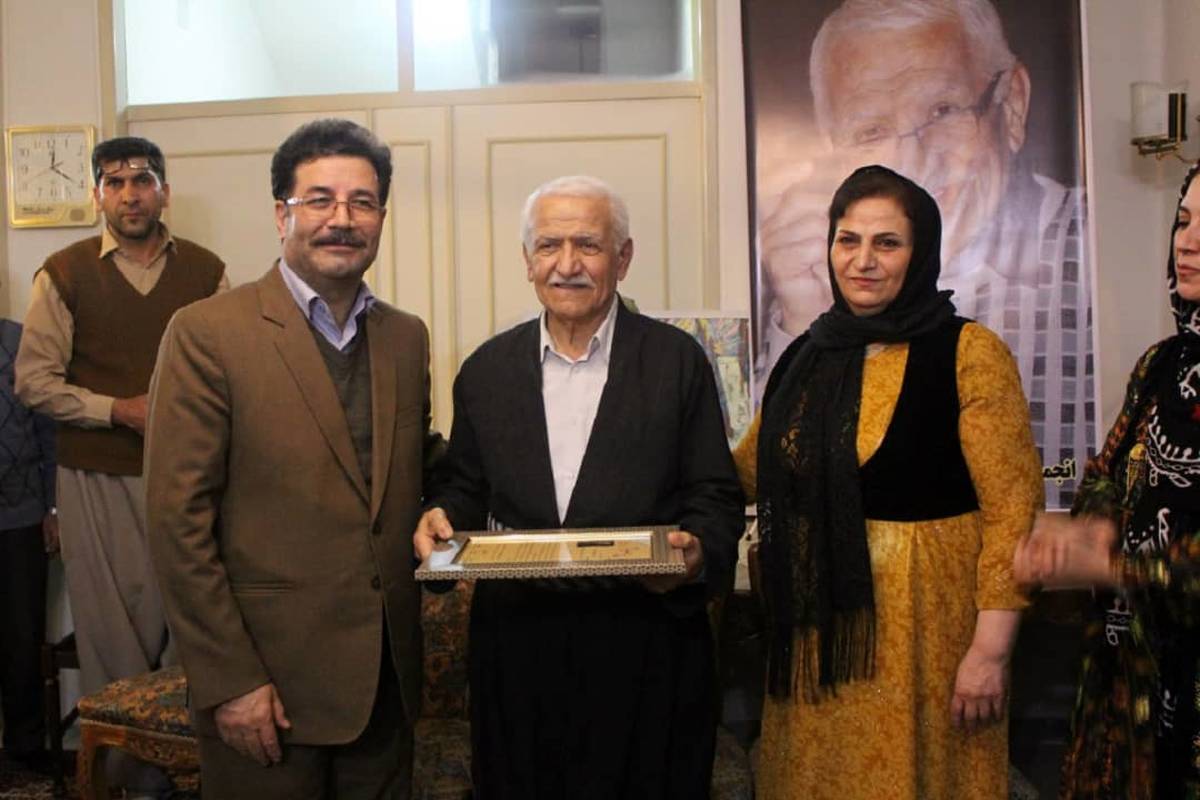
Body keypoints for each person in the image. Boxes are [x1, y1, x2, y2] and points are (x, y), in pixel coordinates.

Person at [413, 175, 744, 799]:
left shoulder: (677, 362)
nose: (567, 265)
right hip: (518, 654)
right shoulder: (485, 370)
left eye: (588, 245)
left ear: (623, 258)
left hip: (647, 650)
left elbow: (716, 496)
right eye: (549, 246)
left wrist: (698, 550)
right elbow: (465, 485)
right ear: (527, 260)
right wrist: (441, 514)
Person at [146, 118, 443, 799]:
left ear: (382, 218)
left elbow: (414, 464)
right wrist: (230, 680)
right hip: (267, 691)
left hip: (385, 687)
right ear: (282, 214)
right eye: (320, 200)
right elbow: (176, 524)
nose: (342, 219)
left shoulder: (405, 338)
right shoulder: (207, 334)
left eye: (362, 202)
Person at [735, 165, 1042, 798]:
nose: (863, 261)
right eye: (847, 240)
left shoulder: (969, 352)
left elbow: (1013, 514)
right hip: (821, 643)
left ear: (920, 252)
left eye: (887, 243)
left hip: (928, 641)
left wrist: (990, 654)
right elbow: (747, 469)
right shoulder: (806, 355)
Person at [752, 0, 1092, 508]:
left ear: (1012, 104)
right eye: (871, 131)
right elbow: (771, 471)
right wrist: (801, 322)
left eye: (942, 111)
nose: (911, 160)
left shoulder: (1090, 263)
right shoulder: (815, 300)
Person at [14, 136, 226, 794]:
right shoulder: (64, 272)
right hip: (94, 477)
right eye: (114, 182)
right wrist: (117, 411)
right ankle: (133, 786)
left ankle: (195, 773)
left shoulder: (206, 272)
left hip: (190, 478)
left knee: (192, 624)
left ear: (164, 190)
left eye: (141, 180)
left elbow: (228, 369)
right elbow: (33, 381)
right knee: (112, 638)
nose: (129, 194)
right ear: (97, 195)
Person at [1013, 161, 1200, 798]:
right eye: (1182, 221)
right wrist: (1089, 528)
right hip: (1133, 676)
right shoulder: (1161, 365)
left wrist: (1113, 567)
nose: (1186, 242)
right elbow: (1106, 471)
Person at [0, 318, 56, 773]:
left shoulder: (21, 342)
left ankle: (25, 746)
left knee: (22, 636)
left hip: (20, 516)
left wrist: (55, 508)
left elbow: (50, 432)